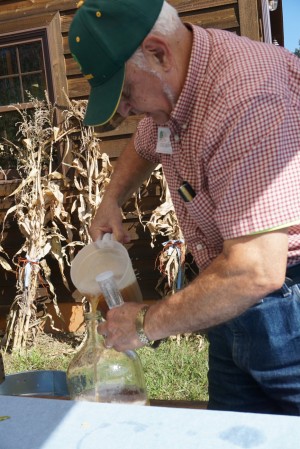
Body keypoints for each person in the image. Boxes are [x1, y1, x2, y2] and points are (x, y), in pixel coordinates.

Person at [69, 0, 300, 415]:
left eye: (124, 93)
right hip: (226, 291)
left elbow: (258, 269)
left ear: (158, 52)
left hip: (285, 300)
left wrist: (145, 324)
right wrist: (110, 199)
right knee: (232, 434)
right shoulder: (172, 89)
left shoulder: (246, 98)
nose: (123, 111)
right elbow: (144, 144)